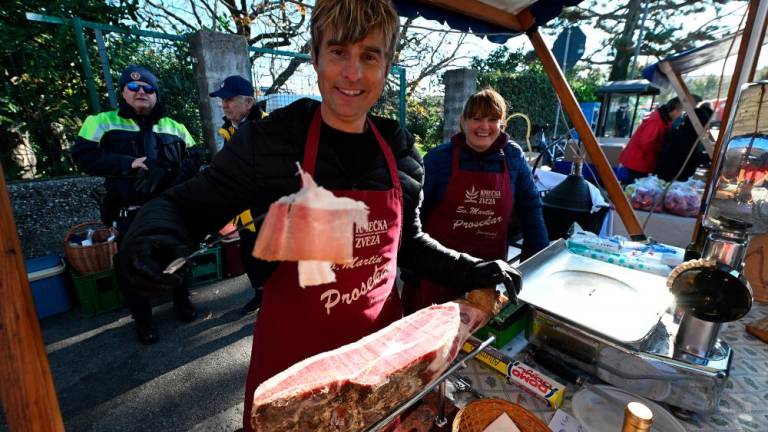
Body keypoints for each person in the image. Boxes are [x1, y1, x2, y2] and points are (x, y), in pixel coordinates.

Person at [113, 1, 521, 430]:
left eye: (370, 55)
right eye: (339, 52)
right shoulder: (271, 141)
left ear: (387, 64)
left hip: (380, 360)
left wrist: (475, 269)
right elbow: (185, 204)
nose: (352, 72)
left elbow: (409, 244)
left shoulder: (398, 149)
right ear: (315, 56)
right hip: (292, 366)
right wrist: (148, 238)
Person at [72, 65, 201, 345]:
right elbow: (82, 156)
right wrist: (129, 164)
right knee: (133, 266)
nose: (141, 92)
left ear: (156, 94)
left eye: (148, 88)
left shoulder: (174, 127)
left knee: (177, 258)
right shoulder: (102, 121)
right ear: (123, 92)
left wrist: (173, 175)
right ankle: (143, 321)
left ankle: (183, 304)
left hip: (169, 208)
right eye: (134, 88)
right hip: (130, 211)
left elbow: (195, 158)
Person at [401, 88, 548, 315]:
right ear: (463, 121)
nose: (484, 127)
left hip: (489, 273)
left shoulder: (513, 157)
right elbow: (413, 214)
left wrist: (537, 265)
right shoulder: (439, 159)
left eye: (492, 119)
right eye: (476, 118)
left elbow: (530, 208)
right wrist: (412, 268)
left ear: (502, 124)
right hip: (439, 271)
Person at [209, 75, 270, 315]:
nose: (224, 104)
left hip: (267, 212)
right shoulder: (228, 130)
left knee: (276, 261)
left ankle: (278, 303)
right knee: (250, 258)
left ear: (249, 102)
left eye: (230, 99)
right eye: (222, 100)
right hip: (244, 214)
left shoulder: (267, 127)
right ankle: (260, 295)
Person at [618, 97, 683, 184]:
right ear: (675, 111)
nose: (681, 115)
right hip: (638, 163)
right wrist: (662, 148)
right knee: (633, 190)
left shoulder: (662, 119)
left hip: (640, 162)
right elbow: (645, 143)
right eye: (681, 112)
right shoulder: (656, 121)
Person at [653, 105, 714, 182]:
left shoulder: (682, 131)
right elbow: (691, 158)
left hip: (666, 176)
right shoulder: (687, 136)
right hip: (671, 179)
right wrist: (710, 157)